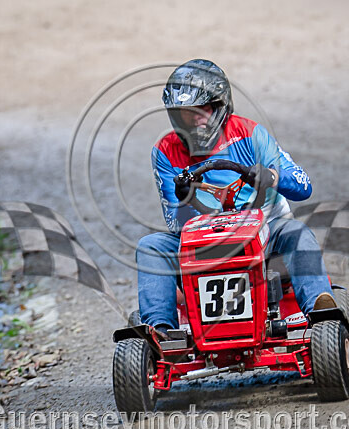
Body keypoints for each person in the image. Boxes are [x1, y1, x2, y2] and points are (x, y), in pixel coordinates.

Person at [137, 59, 335, 337]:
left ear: (219, 106)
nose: (194, 120)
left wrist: (272, 177)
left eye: (201, 110)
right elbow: (175, 223)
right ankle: (160, 331)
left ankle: (320, 308)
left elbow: (304, 186)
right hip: (206, 246)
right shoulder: (166, 151)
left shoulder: (252, 135)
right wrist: (185, 201)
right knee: (151, 247)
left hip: (265, 237)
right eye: (184, 113)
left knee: (297, 232)